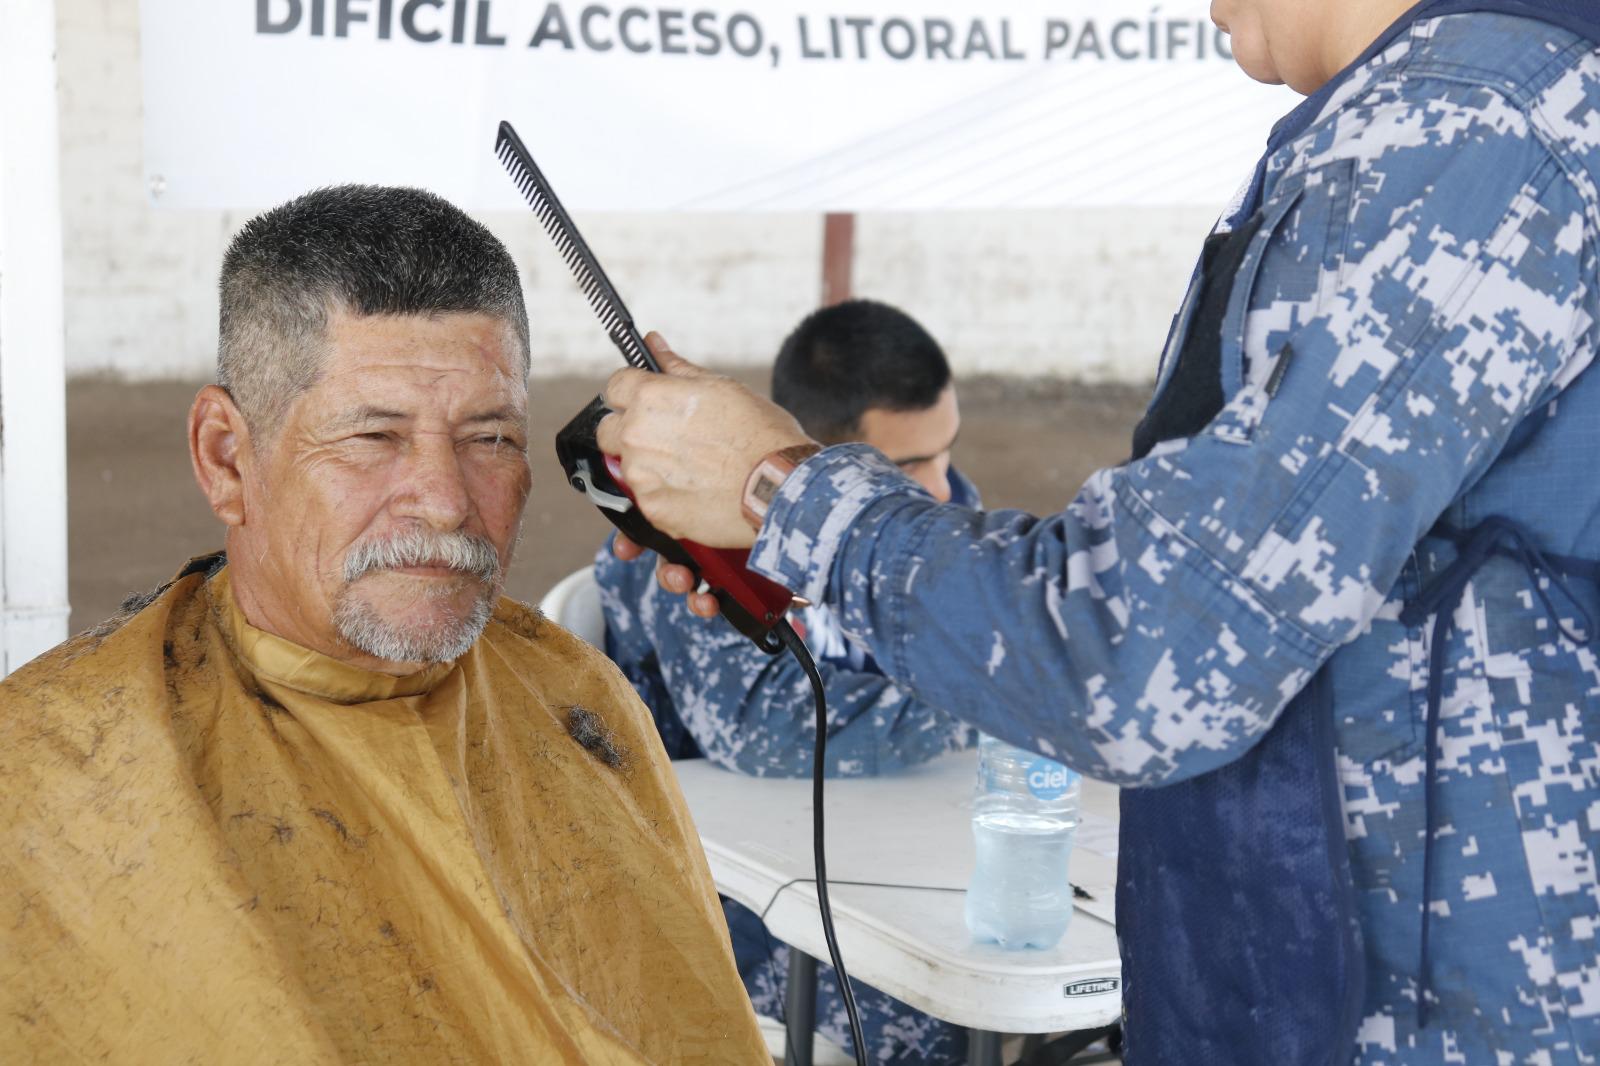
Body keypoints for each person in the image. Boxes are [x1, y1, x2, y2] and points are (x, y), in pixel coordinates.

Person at [593, 1, 1600, 1062]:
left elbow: (1153, 646)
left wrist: (777, 489)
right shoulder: (1453, 120)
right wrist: (809, 575)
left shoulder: (1471, 133)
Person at [0, 185, 767, 1064]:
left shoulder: (576, 700)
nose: (444, 503)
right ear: (225, 457)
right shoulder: (50, 768)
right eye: (372, 438)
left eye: (489, 438)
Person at [596, 299, 976, 1063]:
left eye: (946, 451)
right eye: (906, 467)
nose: (940, 490)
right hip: (730, 896)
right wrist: (991, 697)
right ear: (809, 458)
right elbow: (765, 729)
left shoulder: (937, 509)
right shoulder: (693, 540)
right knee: (928, 1019)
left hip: (899, 855)